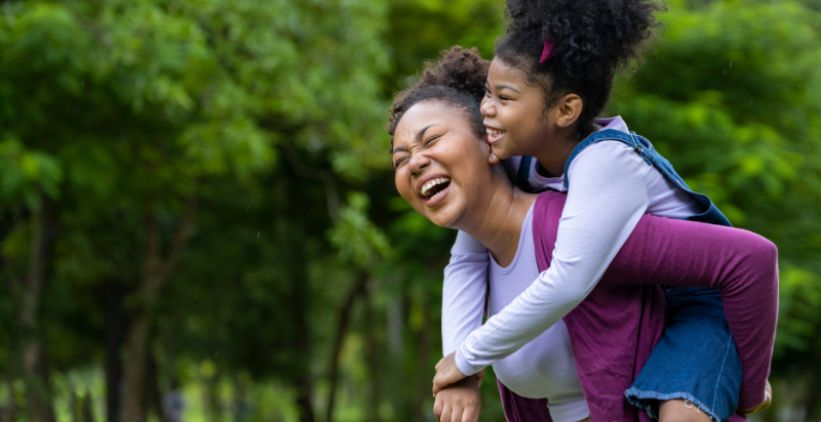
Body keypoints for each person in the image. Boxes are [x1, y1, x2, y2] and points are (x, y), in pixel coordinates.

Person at [388, 47, 777, 421]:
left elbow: (749, 259)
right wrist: (459, 373)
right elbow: (462, 264)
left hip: (704, 303)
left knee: (683, 412)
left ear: (489, 144)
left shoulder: (592, 189)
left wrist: (752, 386)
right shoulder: (499, 218)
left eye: (431, 140)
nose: (415, 163)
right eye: (400, 159)